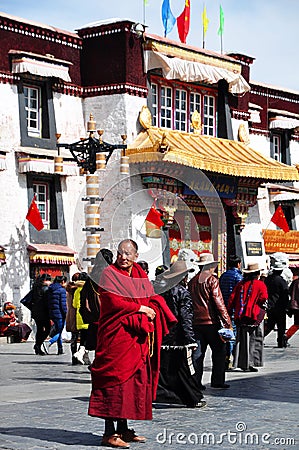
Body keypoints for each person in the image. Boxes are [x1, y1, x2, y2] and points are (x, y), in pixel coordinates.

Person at [88, 239, 177, 449]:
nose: (123, 258)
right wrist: (140, 310)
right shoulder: (109, 274)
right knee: (114, 383)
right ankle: (109, 432)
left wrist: (153, 305)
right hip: (115, 338)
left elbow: (148, 294)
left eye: (128, 254)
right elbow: (111, 300)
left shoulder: (139, 272)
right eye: (120, 253)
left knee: (129, 386)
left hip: (134, 338)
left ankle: (124, 428)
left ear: (136, 256)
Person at [155, 260, 206, 408]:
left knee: (164, 368)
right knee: (183, 369)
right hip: (178, 337)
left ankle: (162, 395)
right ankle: (192, 398)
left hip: (164, 334)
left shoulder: (163, 290)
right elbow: (185, 317)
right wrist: (190, 339)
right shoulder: (182, 292)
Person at [188, 253, 232, 390]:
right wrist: (227, 323)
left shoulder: (192, 282)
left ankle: (195, 382)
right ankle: (217, 380)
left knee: (198, 354)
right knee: (219, 352)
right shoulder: (212, 280)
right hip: (211, 323)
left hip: (196, 323)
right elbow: (219, 303)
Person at [227, 263, 268, 372]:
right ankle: (251, 362)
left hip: (240, 316)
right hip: (254, 315)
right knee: (254, 339)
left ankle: (241, 363)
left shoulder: (241, 284)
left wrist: (230, 311)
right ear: (257, 274)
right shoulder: (260, 284)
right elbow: (264, 297)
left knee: (241, 340)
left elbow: (232, 298)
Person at [80, 248, 113, 352]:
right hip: (110, 313)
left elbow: (84, 295)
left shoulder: (91, 277)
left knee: (97, 343)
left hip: (94, 314)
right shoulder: (113, 274)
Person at [219, 255, 243, 369]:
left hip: (223, 309)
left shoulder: (223, 276)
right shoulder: (238, 277)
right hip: (233, 309)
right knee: (232, 335)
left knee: (226, 333)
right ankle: (230, 358)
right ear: (238, 264)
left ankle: (226, 357)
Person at [264, 259, 290, 348]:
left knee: (270, 325)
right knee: (281, 326)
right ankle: (281, 342)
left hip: (270, 305)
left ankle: (260, 337)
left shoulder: (267, 279)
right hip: (280, 306)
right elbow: (285, 294)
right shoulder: (281, 281)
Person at [72, 272, 90, 365]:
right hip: (88, 315)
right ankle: (81, 353)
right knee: (87, 338)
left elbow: (74, 304)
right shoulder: (88, 289)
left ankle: (81, 354)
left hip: (79, 315)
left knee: (82, 337)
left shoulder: (77, 290)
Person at [31, 273, 52, 355]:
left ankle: (38, 347)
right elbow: (47, 302)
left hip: (36, 312)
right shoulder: (45, 289)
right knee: (47, 329)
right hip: (44, 312)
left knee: (40, 329)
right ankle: (38, 345)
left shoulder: (35, 288)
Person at [47, 275, 67, 355]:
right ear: (62, 282)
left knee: (59, 330)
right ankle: (49, 342)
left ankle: (60, 348)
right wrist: (66, 314)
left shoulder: (50, 289)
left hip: (52, 313)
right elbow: (63, 305)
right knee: (60, 331)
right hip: (60, 314)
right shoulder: (61, 290)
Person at [66, 273, 81, 365]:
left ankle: (73, 356)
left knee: (74, 337)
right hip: (79, 314)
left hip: (71, 314)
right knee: (83, 338)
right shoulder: (79, 289)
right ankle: (79, 355)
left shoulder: (68, 289)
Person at [283, 275, 299, 346]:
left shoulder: (295, 282)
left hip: (295, 306)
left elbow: (289, 291)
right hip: (297, 305)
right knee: (297, 324)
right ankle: (286, 335)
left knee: (297, 324)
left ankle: (286, 335)